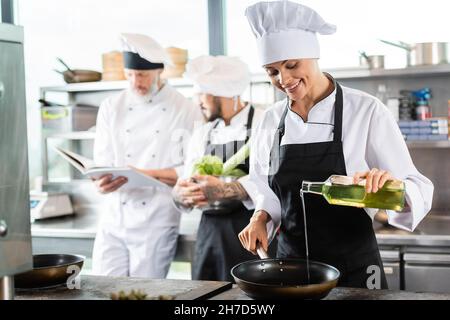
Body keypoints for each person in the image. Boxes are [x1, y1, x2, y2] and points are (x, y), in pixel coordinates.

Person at [238, 1, 434, 289]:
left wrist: (391, 187)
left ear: (314, 55)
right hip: (291, 269)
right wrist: (260, 216)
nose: (285, 79)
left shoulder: (366, 110)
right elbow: (264, 187)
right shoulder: (270, 121)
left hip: (355, 269)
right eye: (272, 72)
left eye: (292, 65)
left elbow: (417, 188)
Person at [92, 33, 203, 278]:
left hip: (156, 219)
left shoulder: (185, 109)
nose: (134, 82)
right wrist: (100, 183)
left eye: (141, 75)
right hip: (114, 217)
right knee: (102, 290)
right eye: (129, 74)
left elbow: (192, 169)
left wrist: (146, 174)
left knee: (145, 293)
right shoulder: (111, 106)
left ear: (158, 71)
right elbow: (102, 160)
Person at [172, 55, 274, 282]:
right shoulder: (203, 132)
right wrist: (180, 195)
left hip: (250, 235)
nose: (196, 100)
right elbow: (188, 181)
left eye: (201, 93)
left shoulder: (264, 123)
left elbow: (274, 180)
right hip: (208, 235)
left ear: (222, 92)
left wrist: (230, 188)